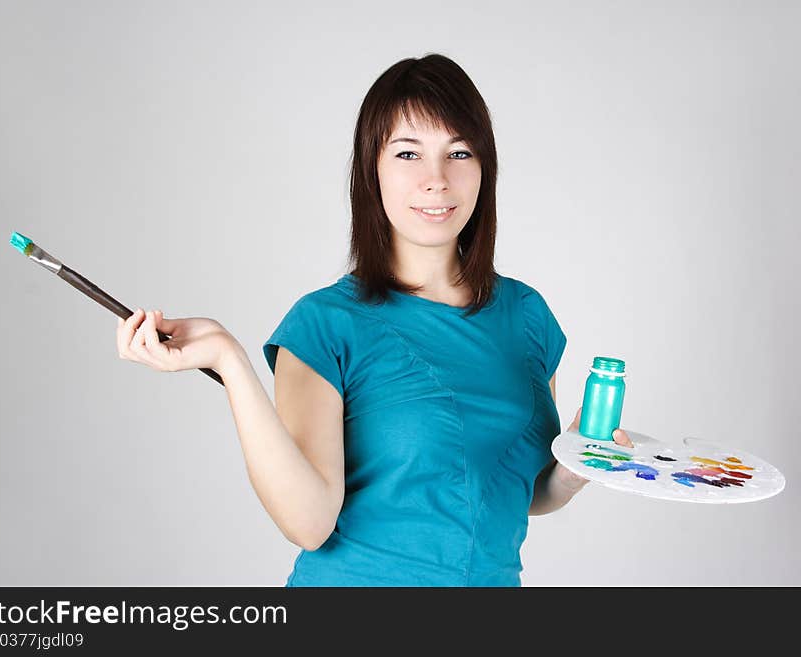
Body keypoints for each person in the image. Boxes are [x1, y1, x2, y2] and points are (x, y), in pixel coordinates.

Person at [115, 53, 633, 586]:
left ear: (485, 168)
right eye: (408, 153)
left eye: (458, 152)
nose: (436, 179)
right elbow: (309, 524)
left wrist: (572, 472)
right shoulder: (325, 325)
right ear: (372, 171)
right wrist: (230, 362)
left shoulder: (528, 318)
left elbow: (513, 493)